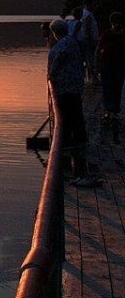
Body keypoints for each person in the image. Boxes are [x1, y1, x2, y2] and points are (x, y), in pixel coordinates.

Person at [48, 19, 98, 186]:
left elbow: (60, 56)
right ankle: (73, 144)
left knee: (70, 117)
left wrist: (52, 73)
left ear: (55, 32)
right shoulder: (70, 41)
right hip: (71, 87)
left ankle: (72, 145)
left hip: (68, 87)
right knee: (72, 116)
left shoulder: (65, 42)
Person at [98, 12, 125, 142]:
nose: (118, 24)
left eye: (119, 22)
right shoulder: (107, 34)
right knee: (108, 87)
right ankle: (108, 111)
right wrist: (96, 65)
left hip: (120, 65)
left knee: (117, 87)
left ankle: (114, 111)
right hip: (107, 64)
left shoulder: (123, 35)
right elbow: (99, 49)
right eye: (116, 22)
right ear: (112, 22)